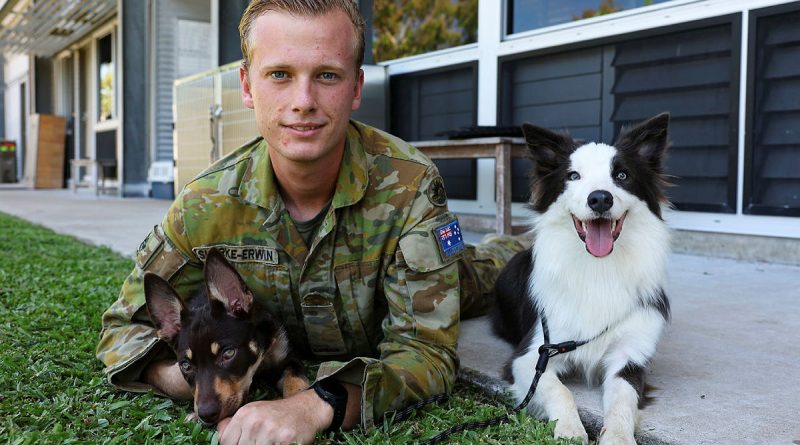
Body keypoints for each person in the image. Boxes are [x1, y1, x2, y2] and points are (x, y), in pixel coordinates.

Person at [96, 1, 523, 443]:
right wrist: (191, 380)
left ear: (356, 87)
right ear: (247, 85)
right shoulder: (205, 204)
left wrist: (315, 406)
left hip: (465, 274)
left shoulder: (409, 186)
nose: (303, 102)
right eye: (279, 74)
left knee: (496, 271)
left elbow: (427, 353)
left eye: (327, 75)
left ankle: (515, 243)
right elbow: (120, 328)